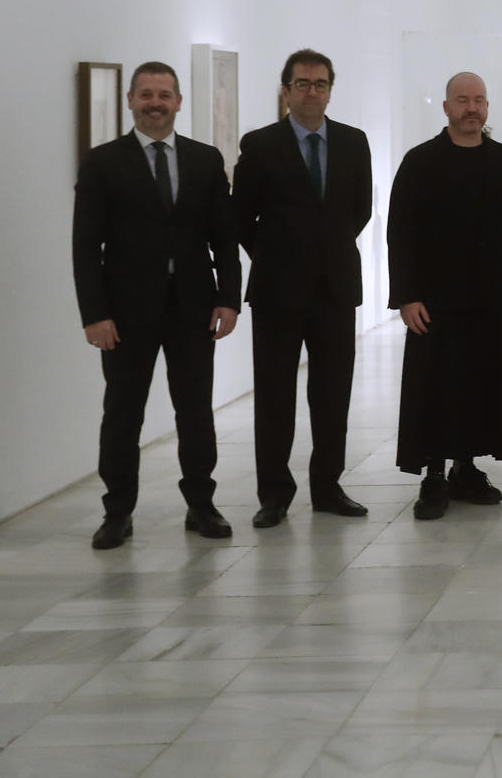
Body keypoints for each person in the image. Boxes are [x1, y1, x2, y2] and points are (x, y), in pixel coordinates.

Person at [72, 61, 240, 549]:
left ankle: (201, 505)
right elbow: (85, 247)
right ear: (130, 100)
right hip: (124, 314)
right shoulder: (103, 163)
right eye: (146, 94)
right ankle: (118, 512)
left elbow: (224, 239)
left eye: (164, 95)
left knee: (195, 412)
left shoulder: (205, 161)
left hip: (192, 308)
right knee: (123, 414)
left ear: (179, 102)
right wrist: (95, 314)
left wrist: (228, 298)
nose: (155, 103)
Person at [232, 49, 373, 529]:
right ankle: (274, 494)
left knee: (332, 394)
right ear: (286, 90)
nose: (311, 92)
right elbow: (241, 218)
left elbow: (361, 210)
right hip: (277, 291)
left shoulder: (354, 143)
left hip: (336, 287)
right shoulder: (261, 144)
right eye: (302, 83)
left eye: (320, 83)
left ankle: (328, 487)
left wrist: (325, 251)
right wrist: (277, 257)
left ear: (331, 89)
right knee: (274, 395)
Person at [389, 72, 502, 520]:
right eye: (463, 100)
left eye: (480, 100)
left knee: (482, 383)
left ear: (487, 107)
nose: (472, 108)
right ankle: (433, 475)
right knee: (436, 384)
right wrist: (407, 296)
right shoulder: (421, 161)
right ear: (446, 107)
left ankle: (466, 469)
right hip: (435, 300)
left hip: (488, 297)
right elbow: (400, 233)